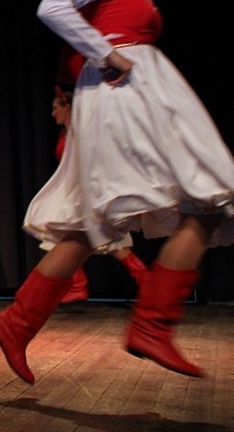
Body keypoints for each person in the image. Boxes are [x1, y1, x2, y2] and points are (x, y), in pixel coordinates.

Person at [0, 0, 234, 384]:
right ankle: (152, 325)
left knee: (95, 222)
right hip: (121, 94)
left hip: (135, 92)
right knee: (210, 196)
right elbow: (52, 5)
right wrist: (105, 53)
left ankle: (17, 323)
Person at [29, 87, 148, 304]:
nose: (53, 113)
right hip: (74, 191)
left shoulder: (82, 131)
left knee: (107, 241)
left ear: (68, 107)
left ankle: (142, 281)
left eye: (56, 108)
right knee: (90, 239)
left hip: (88, 190)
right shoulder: (66, 134)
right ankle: (142, 281)